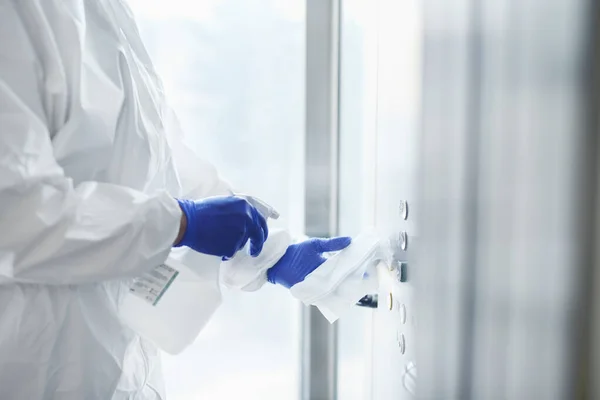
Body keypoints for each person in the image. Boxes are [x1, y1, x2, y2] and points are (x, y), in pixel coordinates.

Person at [0, 1, 351, 399]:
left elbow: (156, 157)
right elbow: (18, 217)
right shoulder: (17, 15)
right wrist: (180, 223)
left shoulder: (103, 11)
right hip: (36, 364)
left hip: (109, 356)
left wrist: (268, 252)